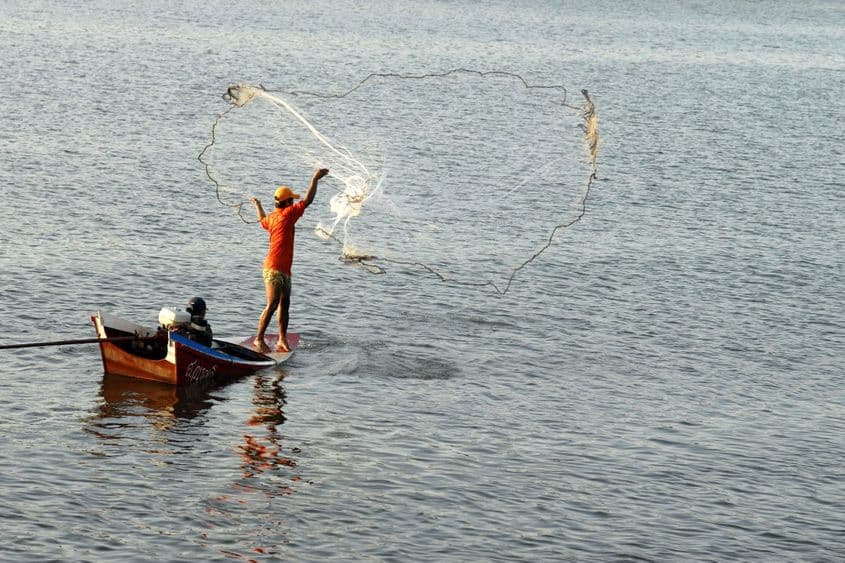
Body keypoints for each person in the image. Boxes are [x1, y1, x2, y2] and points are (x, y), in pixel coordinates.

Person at [251, 167, 329, 353]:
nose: (294, 202)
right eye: (292, 200)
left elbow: (262, 219)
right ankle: (258, 339)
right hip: (273, 268)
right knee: (272, 304)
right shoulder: (287, 215)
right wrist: (315, 179)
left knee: (285, 304)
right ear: (286, 202)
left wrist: (258, 205)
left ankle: (282, 339)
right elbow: (308, 200)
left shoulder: (272, 218)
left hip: (285, 270)